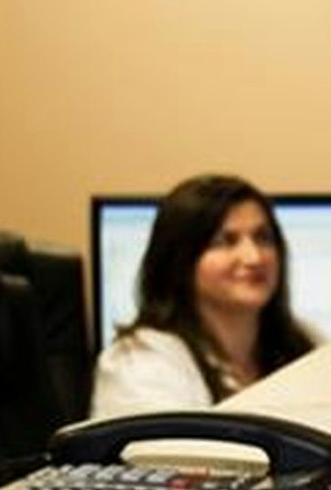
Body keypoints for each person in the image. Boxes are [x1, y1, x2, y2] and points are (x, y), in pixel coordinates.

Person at [92, 174, 315, 418]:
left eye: (263, 238)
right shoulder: (140, 363)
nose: (254, 257)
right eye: (225, 241)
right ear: (181, 260)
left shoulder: (304, 346)